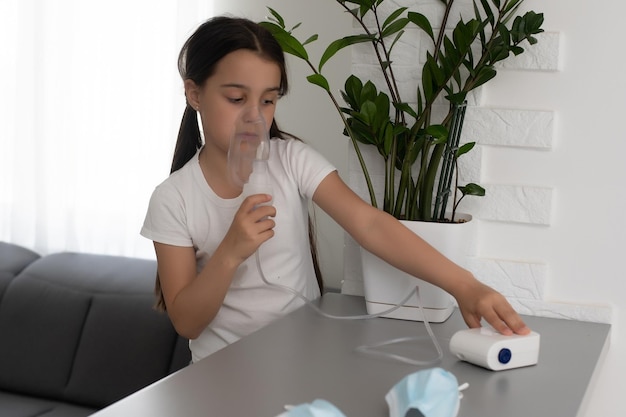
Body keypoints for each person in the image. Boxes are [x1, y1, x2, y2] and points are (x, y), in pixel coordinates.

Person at [141, 15, 530, 363]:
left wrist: (466, 285)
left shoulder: (292, 160)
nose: (254, 117)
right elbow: (187, 322)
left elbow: (370, 225)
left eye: (269, 100)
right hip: (219, 380)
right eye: (236, 98)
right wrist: (229, 253)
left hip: (300, 365)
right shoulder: (173, 199)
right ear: (194, 94)